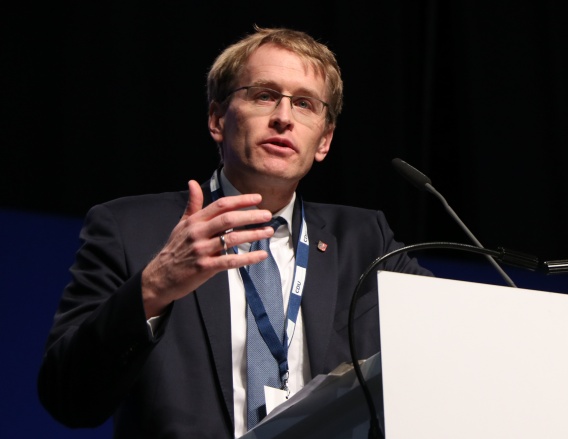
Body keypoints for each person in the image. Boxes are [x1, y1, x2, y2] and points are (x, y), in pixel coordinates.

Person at [37, 24, 433, 438]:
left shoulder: (365, 240)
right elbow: (67, 397)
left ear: (324, 140)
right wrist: (155, 286)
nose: (283, 118)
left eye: (304, 104)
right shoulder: (130, 229)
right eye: (264, 95)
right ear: (217, 119)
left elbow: (446, 336)